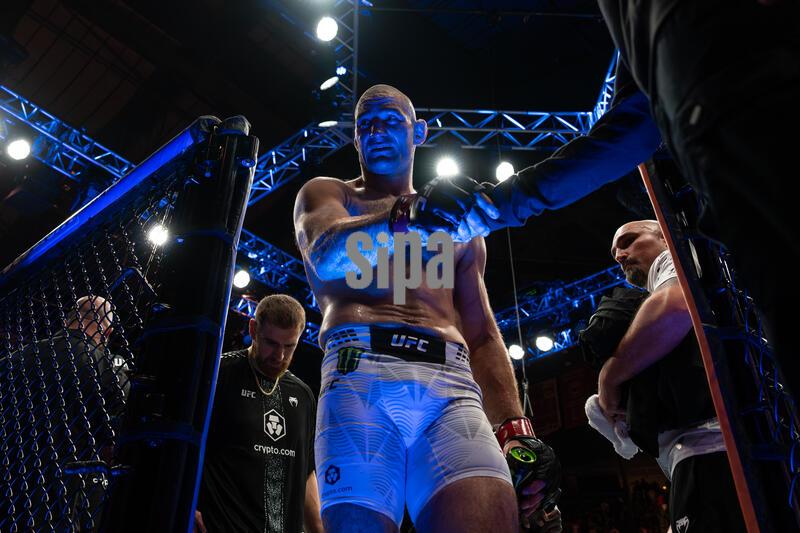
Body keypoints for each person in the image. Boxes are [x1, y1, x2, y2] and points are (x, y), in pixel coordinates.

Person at [407, 0, 800, 404]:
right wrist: (496, 204)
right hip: (742, 198)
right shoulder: (636, 25)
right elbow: (631, 129)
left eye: (629, 241)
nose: (621, 254)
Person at [293, 84, 561, 533]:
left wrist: (515, 429)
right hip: (361, 376)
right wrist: (406, 216)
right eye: (366, 125)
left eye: (391, 121)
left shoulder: (459, 226)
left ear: (418, 132)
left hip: (451, 386)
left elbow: (482, 334)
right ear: (355, 140)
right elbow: (325, 252)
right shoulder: (329, 195)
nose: (377, 131)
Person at [596, 220, 744, 532]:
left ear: (663, 232)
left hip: (712, 452)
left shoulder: (675, 256)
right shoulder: (701, 268)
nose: (620, 255)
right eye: (614, 253)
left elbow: (675, 308)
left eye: (629, 241)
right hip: (716, 451)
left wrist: (610, 376)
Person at [195, 294, 322, 533]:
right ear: (253, 329)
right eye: (271, 343)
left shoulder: (303, 395)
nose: (279, 356)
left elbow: (305, 472)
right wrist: (186, 504)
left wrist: (318, 528)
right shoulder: (218, 374)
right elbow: (187, 446)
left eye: (289, 346)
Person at [0, 295, 127, 531]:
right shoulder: (106, 366)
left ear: (68, 319)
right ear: (107, 332)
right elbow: (119, 441)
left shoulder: (14, 359)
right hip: (55, 504)